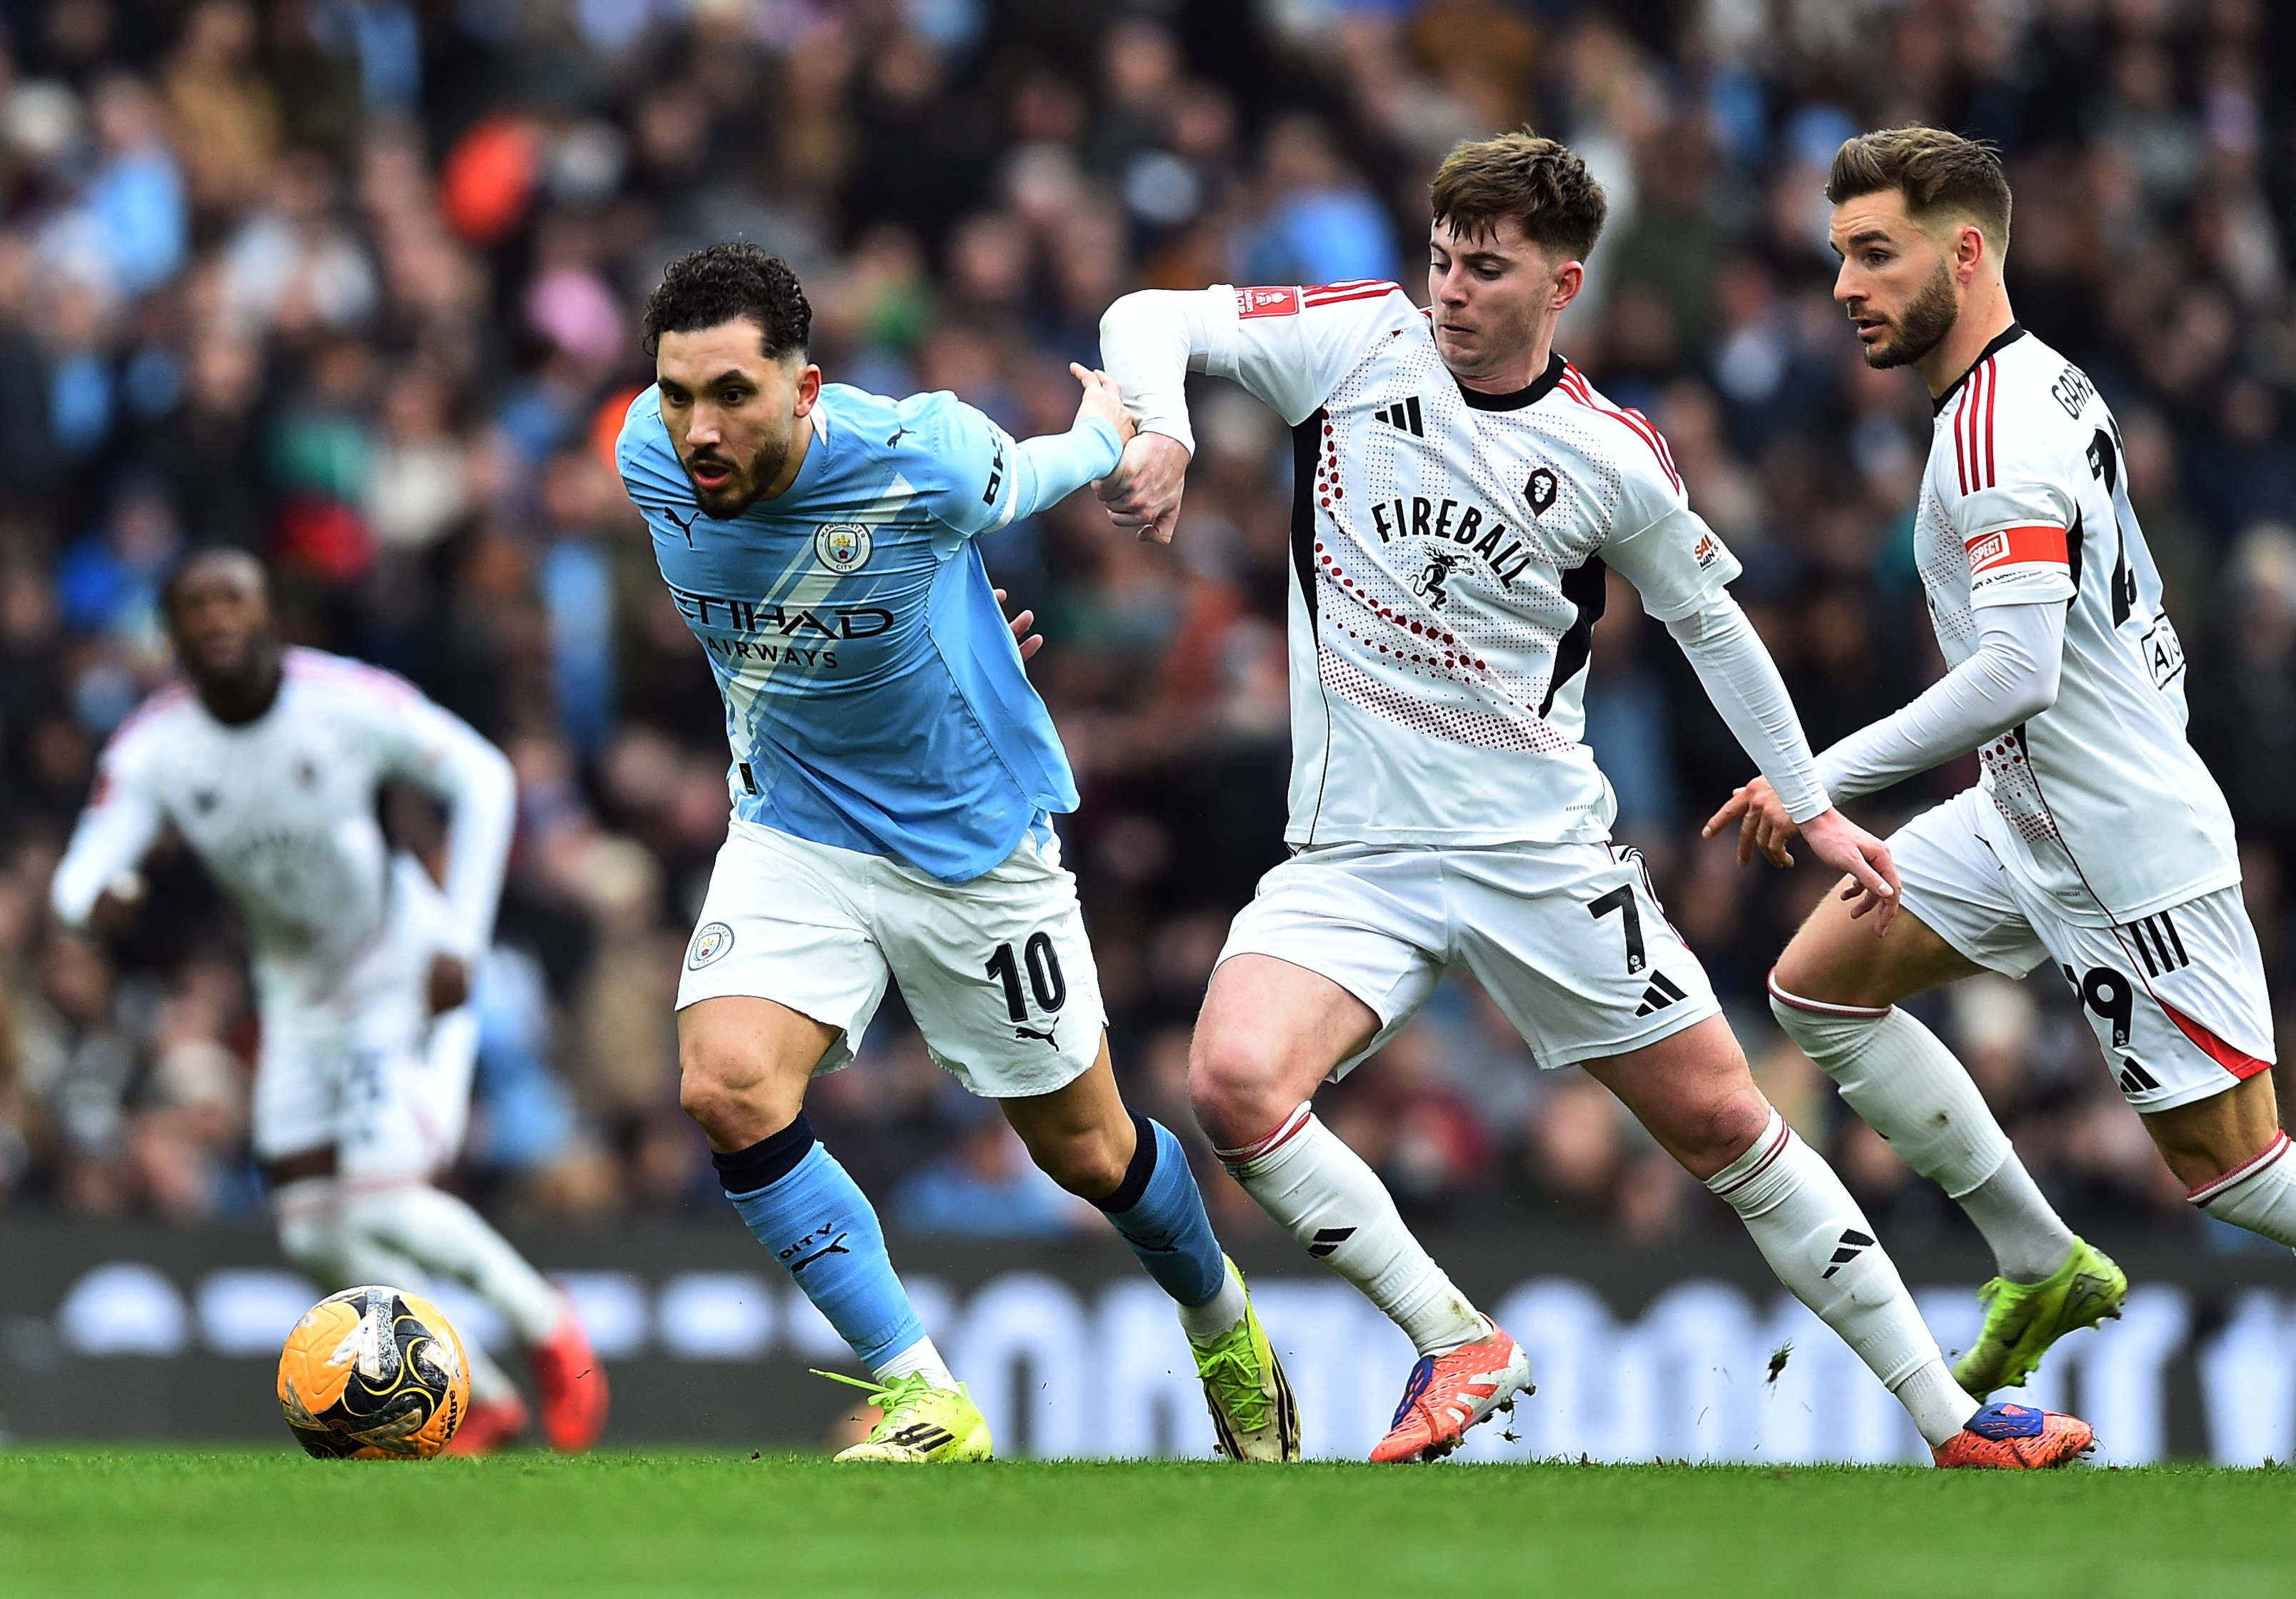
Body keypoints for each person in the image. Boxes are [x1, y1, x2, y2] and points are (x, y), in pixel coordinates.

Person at [1096, 129, 2092, 1468]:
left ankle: (1949, 1413)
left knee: (1725, 1123)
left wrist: (1806, 802)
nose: (1449, 290)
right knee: (1227, 1080)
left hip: (1538, 857)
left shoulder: (1609, 453)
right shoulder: (1350, 345)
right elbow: (1146, 312)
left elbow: (1713, 629)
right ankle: (1454, 1340)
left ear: (1560, 284)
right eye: (1440, 259)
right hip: (1352, 853)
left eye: (1485, 269)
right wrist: (1160, 429)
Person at [618, 242, 1296, 1464]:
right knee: (724, 1084)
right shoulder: (641, 458)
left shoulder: (917, 453)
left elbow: (1048, 469)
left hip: (970, 845)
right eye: (676, 393)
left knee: (1085, 1149)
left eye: (731, 394)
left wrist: (1116, 431)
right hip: (792, 824)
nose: (696, 429)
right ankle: (922, 1392)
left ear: (805, 388)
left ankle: (1220, 1323)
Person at [1710, 125, 2287, 1396]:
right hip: (2023, 814)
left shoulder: (1995, 437)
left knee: (2236, 1174)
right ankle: (2038, 1256)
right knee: (1815, 990)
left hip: (2113, 842)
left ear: (1962, 253)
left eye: (1872, 254)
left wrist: (1812, 782)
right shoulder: (2045, 385)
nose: (1842, 286)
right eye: (1835, 256)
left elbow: (2014, 673)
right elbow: (2112, 625)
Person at [51, 549, 605, 1455]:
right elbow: (79, 873)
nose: (218, 615)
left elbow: (484, 778)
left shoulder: (344, 700)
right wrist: (95, 900)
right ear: (173, 630)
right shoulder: (154, 747)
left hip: (406, 968)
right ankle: (485, 1397)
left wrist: (461, 937)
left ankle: (548, 1323)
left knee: (380, 1200)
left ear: (270, 612)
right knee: (313, 1236)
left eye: (236, 595)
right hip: (300, 999)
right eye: (196, 603)